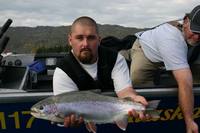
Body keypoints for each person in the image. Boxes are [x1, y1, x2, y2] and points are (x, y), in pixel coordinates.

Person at [53, 16, 148, 132]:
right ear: (70, 40)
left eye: (91, 38)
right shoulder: (63, 70)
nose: (85, 44)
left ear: (99, 40)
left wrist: (134, 99)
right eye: (79, 38)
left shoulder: (115, 59)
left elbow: (124, 91)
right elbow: (66, 107)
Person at [126, 5, 200, 133]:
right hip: (147, 52)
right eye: (195, 31)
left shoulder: (193, 38)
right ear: (186, 21)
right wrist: (189, 121)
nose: (197, 37)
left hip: (184, 54)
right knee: (137, 84)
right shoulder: (171, 38)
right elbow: (185, 82)